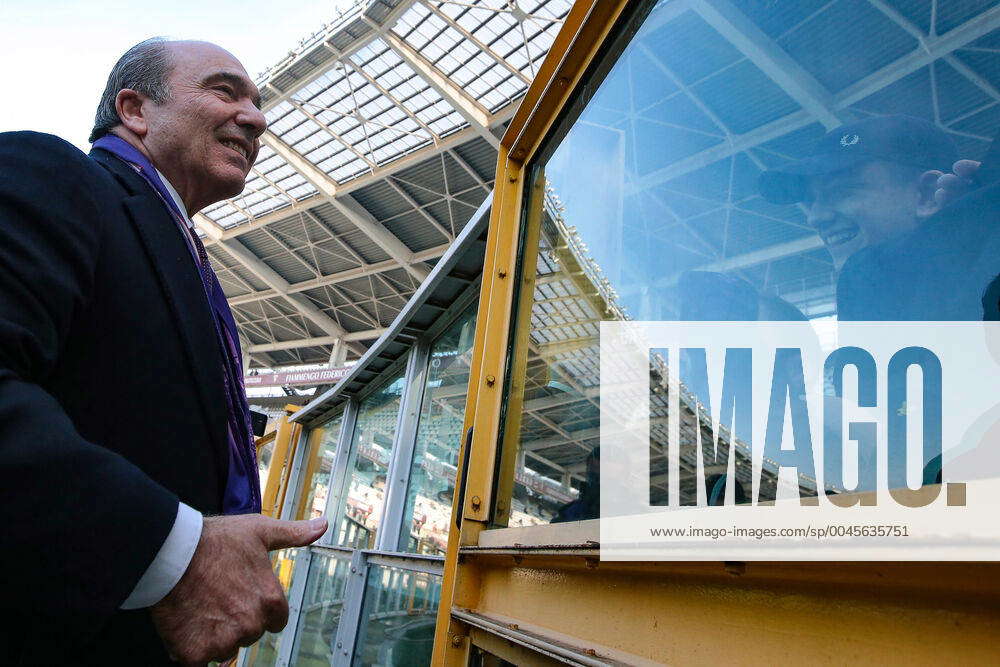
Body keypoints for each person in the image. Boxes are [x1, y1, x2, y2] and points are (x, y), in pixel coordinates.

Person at [0, 38, 327, 664]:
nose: (256, 117)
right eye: (224, 91)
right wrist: (171, 552)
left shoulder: (186, 258)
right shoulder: (54, 175)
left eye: (257, 102)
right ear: (135, 109)